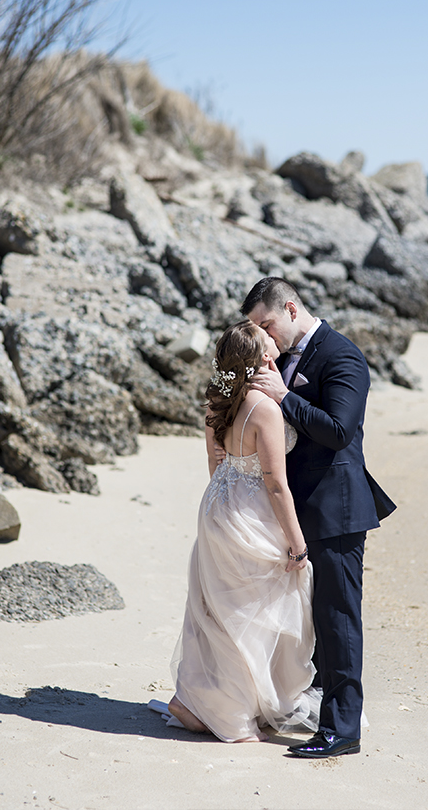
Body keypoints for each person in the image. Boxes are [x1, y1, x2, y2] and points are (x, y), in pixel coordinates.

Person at [243, 276, 396, 759]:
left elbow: (337, 430)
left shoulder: (342, 355)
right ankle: (312, 711)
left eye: (267, 324)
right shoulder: (282, 359)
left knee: (338, 619)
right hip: (297, 511)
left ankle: (342, 730)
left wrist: (284, 396)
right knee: (307, 622)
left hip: (338, 509)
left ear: (290, 309)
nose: (265, 336)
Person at [151, 320, 320, 743]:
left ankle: (198, 699)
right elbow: (276, 484)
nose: (275, 342)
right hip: (251, 511)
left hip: (216, 506)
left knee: (218, 607)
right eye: (269, 342)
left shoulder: (218, 401)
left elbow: (216, 464)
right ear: (264, 358)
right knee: (252, 613)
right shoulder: (265, 408)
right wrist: (298, 545)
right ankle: (234, 715)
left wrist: (223, 503)